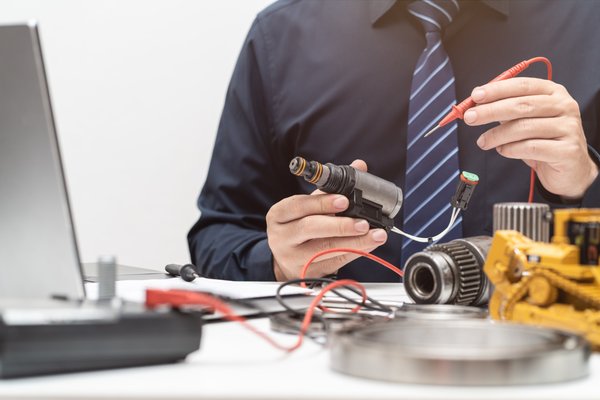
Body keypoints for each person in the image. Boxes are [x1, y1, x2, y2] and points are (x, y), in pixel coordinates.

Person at [188, 0, 600, 282]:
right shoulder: (281, 35)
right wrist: (278, 261)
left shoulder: (590, 25)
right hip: (332, 363)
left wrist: (584, 185)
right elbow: (218, 236)